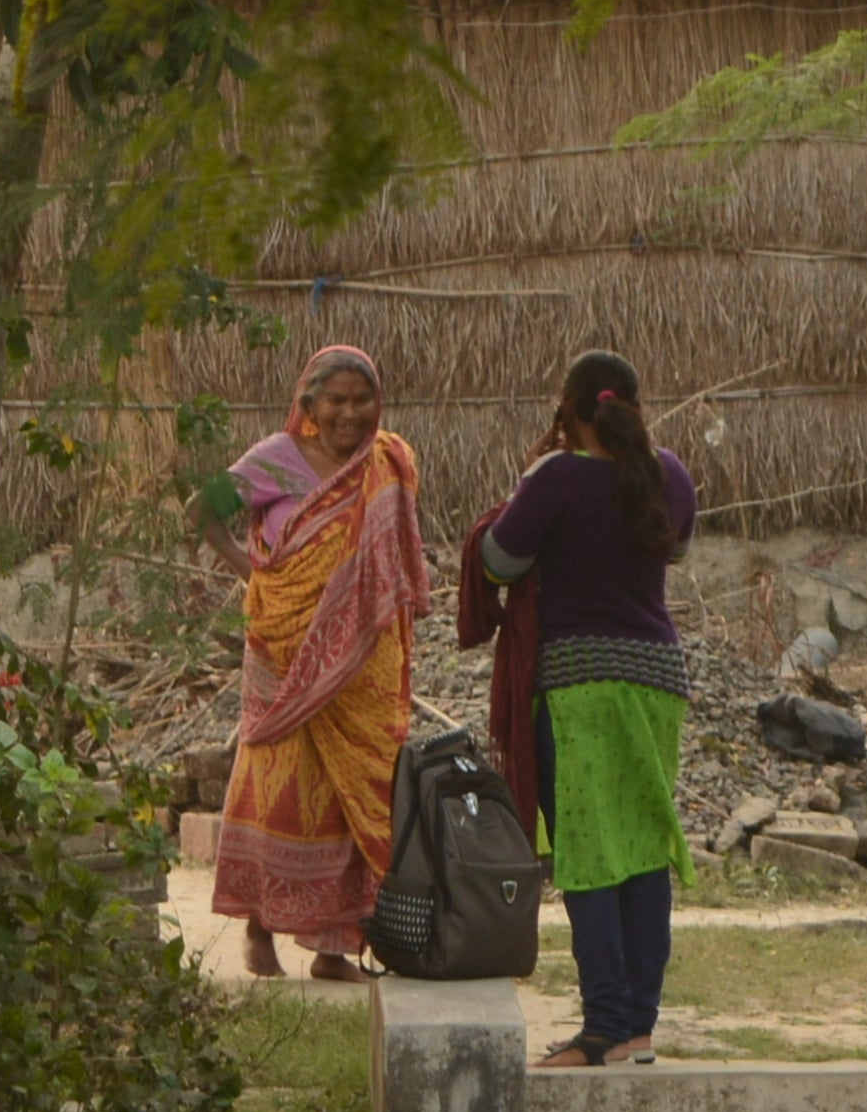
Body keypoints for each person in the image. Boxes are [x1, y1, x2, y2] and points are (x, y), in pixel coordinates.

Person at [478, 350, 696, 1066]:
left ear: (566, 410)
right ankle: (637, 1028)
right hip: (657, 680)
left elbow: (499, 562)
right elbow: (673, 551)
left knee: (587, 855)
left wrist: (521, 491)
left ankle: (600, 1028)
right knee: (641, 851)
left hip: (577, 686)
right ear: (637, 404)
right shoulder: (671, 475)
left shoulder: (557, 477)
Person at [199, 345, 427, 981]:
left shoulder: (389, 463)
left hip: (362, 666)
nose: (351, 414)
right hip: (282, 652)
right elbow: (204, 511)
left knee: (354, 791)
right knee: (278, 788)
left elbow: (397, 566)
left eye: (363, 400)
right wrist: (258, 580)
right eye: (337, 401)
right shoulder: (274, 459)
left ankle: (334, 949)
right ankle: (258, 929)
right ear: (308, 406)